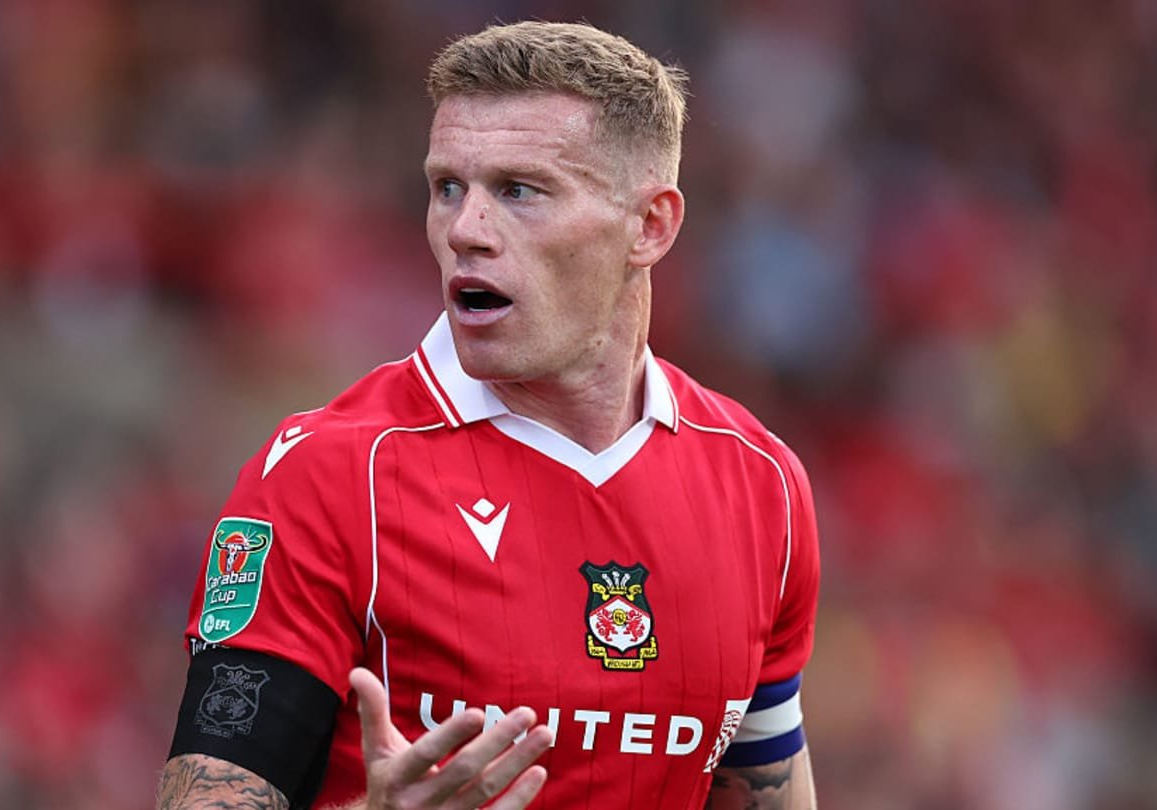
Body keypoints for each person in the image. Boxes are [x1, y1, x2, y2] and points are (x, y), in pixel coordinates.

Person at [158, 20, 820, 810]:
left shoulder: (760, 486)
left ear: (651, 225)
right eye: (448, 187)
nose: (465, 230)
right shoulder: (330, 474)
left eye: (518, 191)